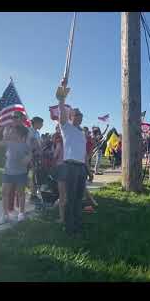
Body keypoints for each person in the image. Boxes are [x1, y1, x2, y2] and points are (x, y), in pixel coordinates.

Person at [56, 78, 88, 237]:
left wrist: (87, 167)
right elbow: (61, 111)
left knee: (78, 198)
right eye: (76, 115)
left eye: (80, 115)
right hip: (69, 167)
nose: (79, 117)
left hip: (81, 167)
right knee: (70, 198)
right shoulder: (66, 127)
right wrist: (62, 96)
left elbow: (83, 152)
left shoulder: (82, 133)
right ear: (71, 116)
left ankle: (77, 222)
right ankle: (68, 227)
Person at [0, 124, 32, 224]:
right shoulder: (8, 143)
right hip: (8, 173)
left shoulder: (25, 145)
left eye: (13, 131)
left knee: (21, 193)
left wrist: (28, 158)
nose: (10, 133)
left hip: (20, 173)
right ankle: (5, 215)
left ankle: (21, 213)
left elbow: (30, 153)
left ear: (19, 134)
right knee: (5, 193)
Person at [28, 116, 44, 205]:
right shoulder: (30, 131)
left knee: (35, 176)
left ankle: (34, 194)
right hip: (31, 156)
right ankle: (32, 196)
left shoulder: (37, 133)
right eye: (41, 123)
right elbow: (30, 144)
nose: (42, 125)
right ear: (36, 123)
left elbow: (39, 144)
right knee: (33, 176)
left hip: (36, 157)